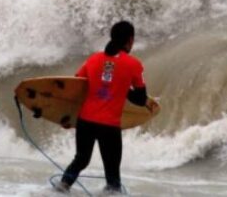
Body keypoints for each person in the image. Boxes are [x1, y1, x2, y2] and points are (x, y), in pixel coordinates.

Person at [54, 20, 155, 194]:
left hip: (85, 122)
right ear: (130, 40)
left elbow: (77, 87)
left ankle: (60, 189)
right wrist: (124, 90)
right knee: (112, 172)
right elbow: (140, 99)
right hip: (109, 126)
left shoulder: (93, 59)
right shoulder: (134, 64)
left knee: (81, 160)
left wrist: (67, 116)